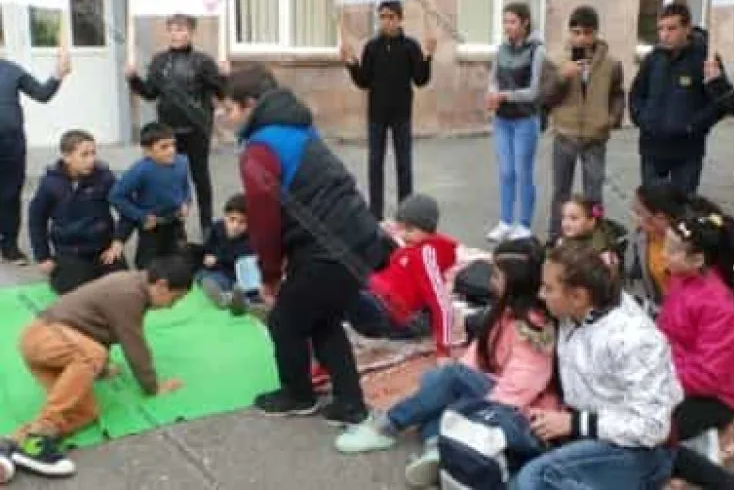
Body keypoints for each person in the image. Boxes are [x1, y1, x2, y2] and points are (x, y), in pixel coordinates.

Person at [222, 63, 390, 426]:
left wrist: (269, 274)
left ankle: (297, 395)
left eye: (229, 108)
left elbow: (264, 222)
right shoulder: (298, 127)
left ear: (250, 104)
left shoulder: (260, 149)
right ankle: (350, 404)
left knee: (284, 320)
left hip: (327, 248)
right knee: (322, 318)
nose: (225, 116)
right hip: (359, 237)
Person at [335, 238, 557, 489]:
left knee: (449, 383)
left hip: (520, 412)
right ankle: (435, 449)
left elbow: (518, 391)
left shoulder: (535, 330)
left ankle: (386, 427)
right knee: (438, 382)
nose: (491, 281)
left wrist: (466, 400)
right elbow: (477, 355)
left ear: (516, 282)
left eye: (497, 275)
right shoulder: (503, 311)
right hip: (497, 389)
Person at [510, 242, 684, 490]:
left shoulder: (636, 340)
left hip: (640, 451)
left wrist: (574, 423)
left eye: (548, 288)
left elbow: (652, 428)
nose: (540, 294)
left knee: (535, 478)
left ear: (578, 297)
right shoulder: (573, 311)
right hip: (585, 429)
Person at [8, 256, 191, 477]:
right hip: (43, 336)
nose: (172, 306)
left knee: (85, 412)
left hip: (59, 346)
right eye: (175, 298)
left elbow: (94, 329)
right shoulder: (129, 293)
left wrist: (102, 369)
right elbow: (133, 344)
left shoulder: (135, 288)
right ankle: (39, 438)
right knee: (93, 355)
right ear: (161, 284)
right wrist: (153, 387)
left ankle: (13, 444)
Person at [658, 212, 734, 490]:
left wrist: (662, 373)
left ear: (698, 260)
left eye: (672, 250)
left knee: (650, 433)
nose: (663, 255)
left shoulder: (719, 307)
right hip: (676, 375)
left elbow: (709, 377)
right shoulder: (681, 279)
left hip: (715, 396)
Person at [125, 14, 227, 237]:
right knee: (168, 177)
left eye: (180, 29)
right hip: (168, 131)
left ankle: (207, 225)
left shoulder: (203, 62)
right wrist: (133, 79)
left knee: (200, 177)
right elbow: (150, 93)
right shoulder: (160, 61)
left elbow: (221, 93)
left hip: (197, 128)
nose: (175, 34)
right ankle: (171, 225)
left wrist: (224, 76)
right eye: (171, 29)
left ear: (191, 32)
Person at [340, 0, 436, 221]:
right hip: (377, 114)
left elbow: (420, 79)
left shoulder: (410, 46)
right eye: (382, 17)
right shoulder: (372, 47)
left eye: (391, 17)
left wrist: (428, 56)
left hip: (402, 114)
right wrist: (351, 63)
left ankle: (406, 213)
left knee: (404, 164)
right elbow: (363, 80)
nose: (386, 21)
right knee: (375, 164)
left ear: (400, 19)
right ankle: (376, 214)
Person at [629, 3, 726, 194]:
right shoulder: (653, 58)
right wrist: (642, 119)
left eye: (671, 28)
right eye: (661, 29)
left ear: (687, 28)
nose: (664, 35)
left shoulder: (705, 59)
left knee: (683, 206)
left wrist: (694, 125)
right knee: (652, 205)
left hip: (687, 151)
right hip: (652, 148)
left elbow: (720, 102)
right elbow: (636, 93)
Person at [546, 6, 625, 240]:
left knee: (594, 193)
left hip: (595, 136)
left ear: (596, 33)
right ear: (570, 32)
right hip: (565, 134)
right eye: (576, 32)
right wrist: (562, 77)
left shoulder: (611, 63)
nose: (581, 38)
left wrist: (611, 120)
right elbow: (545, 96)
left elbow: (617, 94)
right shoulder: (557, 60)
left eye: (587, 33)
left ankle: (596, 238)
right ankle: (556, 237)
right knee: (561, 191)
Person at [346, 193, 457, 359]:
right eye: (401, 229)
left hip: (397, 317)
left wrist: (444, 351)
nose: (403, 235)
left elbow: (441, 302)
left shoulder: (426, 254)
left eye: (409, 230)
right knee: (341, 275)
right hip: (383, 299)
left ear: (427, 229)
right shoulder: (411, 249)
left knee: (342, 289)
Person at [28, 130, 130, 295]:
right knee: (79, 292)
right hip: (71, 250)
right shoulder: (50, 184)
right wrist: (43, 256)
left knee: (123, 288)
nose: (91, 160)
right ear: (66, 157)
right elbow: (36, 220)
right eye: (84, 155)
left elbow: (126, 208)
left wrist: (118, 242)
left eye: (93, 153)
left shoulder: (104, 177)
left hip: (103, 248)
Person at [0, 50, 70, 265]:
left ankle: (9, 246)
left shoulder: (12, 71)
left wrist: (58, 74)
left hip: (11, 146)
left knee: (10, 196)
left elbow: (42, 94)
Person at [485, 2, 546, 243]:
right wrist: (492, 93)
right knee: (506, 172)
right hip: (502, 120)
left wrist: (505, 96)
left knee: (523, 172)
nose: (507, 26)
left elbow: (533, 91)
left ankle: (524, 225)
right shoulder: (500, 49)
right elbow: (493, 79)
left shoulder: (537, 51)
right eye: (505, 21)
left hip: (525, 120)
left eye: (512, 21)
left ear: (525, 22)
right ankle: (505, 222)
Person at [109, 122, 191, 270]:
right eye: (164, 147)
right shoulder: (140, 171)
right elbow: (116, 196)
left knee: (180, 264)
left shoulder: (182, 162)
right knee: (147, 267)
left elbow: (185, 186)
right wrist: (140, 216)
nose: (171, 150)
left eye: (173, 145)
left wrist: (185, 202)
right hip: (151, 228)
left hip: (176, 223)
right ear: (147, 151)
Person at [624, 181, 690, 316]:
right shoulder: (640, 238)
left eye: (638, 213)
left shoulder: (689, 245)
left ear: (661, 218)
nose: (634, 217)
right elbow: (635, 281)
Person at [199, 193, 259, 309]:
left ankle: (234, 299)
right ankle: (228, 297)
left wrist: (216, 260)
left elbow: (237, 258)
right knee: (202, 275)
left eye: (242, 222)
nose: (235, 226)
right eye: (232, 219)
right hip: (217, 270)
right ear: (225, 217)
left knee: (245, 289)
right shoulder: (217, 228)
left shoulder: (250, 239)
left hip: (236, 276)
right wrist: (206, 256)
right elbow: (208, 247)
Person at [555, 194, 623, 274]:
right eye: (564, 217)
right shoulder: (562, 241)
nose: (566, 223)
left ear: (591, 222)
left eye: (574, 218)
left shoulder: (604, 252)